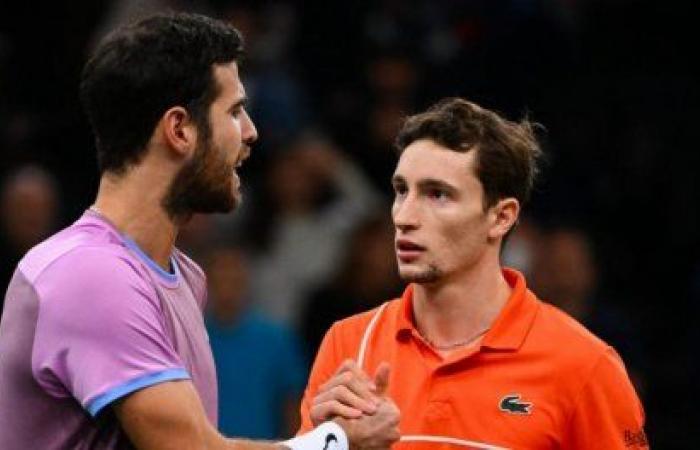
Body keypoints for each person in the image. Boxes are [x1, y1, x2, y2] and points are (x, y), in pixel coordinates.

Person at [0, 13, 399, 450]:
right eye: (234, 112)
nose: (251, 132)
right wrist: (334, 442)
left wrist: (321, 434)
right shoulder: (90, 274)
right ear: (179, 129)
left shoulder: (184, 276)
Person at [298, 98, 649, 449]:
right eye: (402, 190)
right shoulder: (348, 344)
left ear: (501, 217)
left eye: (437, 195)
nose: (404, 216)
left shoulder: (584, 366)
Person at [204, 247, 307, 439]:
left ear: (245, 282)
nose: (227, 289)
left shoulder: (276, 338)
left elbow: (293, 405)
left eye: (233, 281)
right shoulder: (192, 337)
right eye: (220, 280)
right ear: (208, 285)